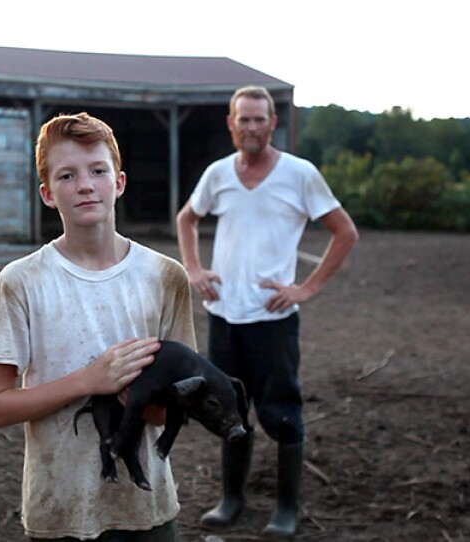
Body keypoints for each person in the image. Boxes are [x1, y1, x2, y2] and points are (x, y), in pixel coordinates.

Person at [0, 112, 197, 541]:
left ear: (119, 182)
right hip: (58, 510)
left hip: (145, 510)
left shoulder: (166, 276)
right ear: (47, 193)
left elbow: (177, 406)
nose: (84, 185)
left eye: (98, 170)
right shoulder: (22, 281)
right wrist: (89, 380)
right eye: (66, 175)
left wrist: (140, 397)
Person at [176, 86, 359, 538]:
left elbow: (345, 232)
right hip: (224, 315)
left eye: (260, 119)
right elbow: (187, 218)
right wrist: (194, 268)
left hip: (273, 321)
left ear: (273, 123)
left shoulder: (300, 174)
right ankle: (232, 499)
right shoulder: (219, 174)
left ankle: (286, 508)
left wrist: (305, 289)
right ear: (231, 124)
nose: (252, 127)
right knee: (230, 410)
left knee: (281, 412)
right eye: (244, 119)